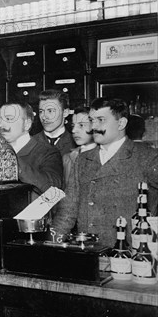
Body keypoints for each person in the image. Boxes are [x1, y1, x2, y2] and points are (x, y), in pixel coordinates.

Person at [52, 98, 158, 246]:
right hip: (89, 252)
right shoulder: (83, 160)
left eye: (100, 120)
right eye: (92, 120)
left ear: (121, 123)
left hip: (127, 254)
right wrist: (51, 243)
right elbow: (68, 210)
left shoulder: (147, 157)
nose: (93, 127)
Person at [0, 102, 63, 194]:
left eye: (8, 119)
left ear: (27, 124)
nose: (0, 125)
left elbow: (52, 188)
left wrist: (13, 160)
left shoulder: (48, 152)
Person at [32, 90, 76, 156]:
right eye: (41, 111)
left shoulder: (76, 143)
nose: (44, 117)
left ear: (65, 113)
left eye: (50, 111)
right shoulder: (30, 143)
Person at [62, 106, 96, 183]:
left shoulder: (106, 156)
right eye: (73, 126)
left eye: (81, 125)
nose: (74, 130)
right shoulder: (67, 158)